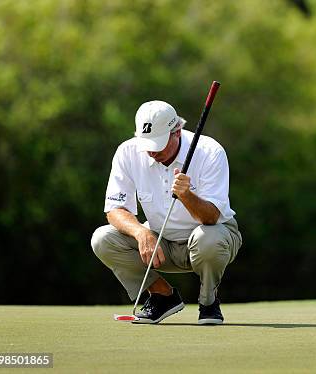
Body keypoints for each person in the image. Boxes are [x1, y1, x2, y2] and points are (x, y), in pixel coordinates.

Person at [91, 100, 242, 324]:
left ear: (177, 132)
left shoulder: (209, 151)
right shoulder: (128, 152)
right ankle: (162, 296)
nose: (152, 151)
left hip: (211, 237)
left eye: (159, 144)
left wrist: (187, 195)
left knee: (207, 238)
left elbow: (211, 217)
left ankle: (209, 302)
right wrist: (141, 233)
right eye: (147, 143)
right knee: (102, 239)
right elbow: (115, 209)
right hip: (160, 241)